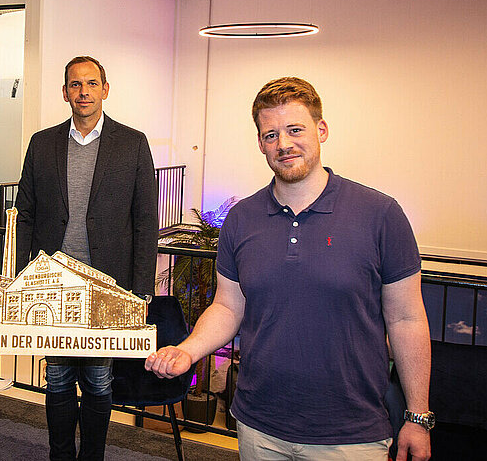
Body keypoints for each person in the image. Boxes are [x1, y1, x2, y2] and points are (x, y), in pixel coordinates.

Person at [146, 77, 433, 461]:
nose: (283, 144)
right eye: (270, 135)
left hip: (351, 434)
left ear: (322, 129)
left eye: (295, 130)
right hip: (257, 425)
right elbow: (229, 307)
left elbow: (407, 318)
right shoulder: (242, 219)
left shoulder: (380, 214)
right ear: (260, 143)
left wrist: (418, 416)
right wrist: (187, 351)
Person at [15, 56, 158, 460]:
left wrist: (142, 288)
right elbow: (25, 213)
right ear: (65, 92)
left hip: (107, 286)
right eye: (75, 85)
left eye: (91, 83)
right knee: (57, 377)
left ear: (105, 89)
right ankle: (60, 456)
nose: (83, 92)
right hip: (54, 284)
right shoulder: (42, 143)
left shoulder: (132, 143)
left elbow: (147, 219)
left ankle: (92, 455)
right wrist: (19, 277)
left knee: (98, 380)